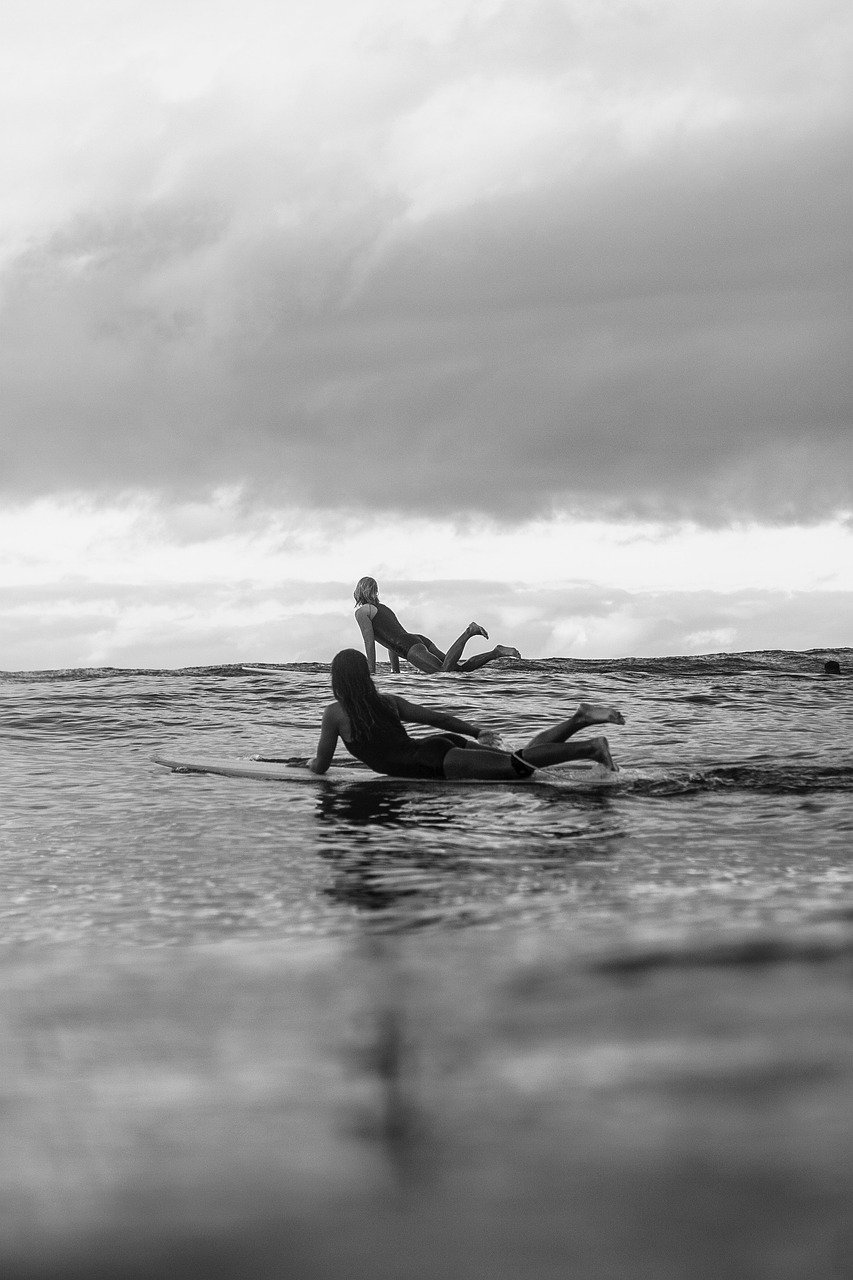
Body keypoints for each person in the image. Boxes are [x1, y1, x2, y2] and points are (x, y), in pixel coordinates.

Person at [308, 649, 624, 781]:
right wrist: (474, 732)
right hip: (436, 746)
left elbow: (321, 767)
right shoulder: (386, 700)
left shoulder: (334, 714)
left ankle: (590, 747)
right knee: (520, 762)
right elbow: (437, 719)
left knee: (519, 767)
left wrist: (308, 765)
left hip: (434, 761)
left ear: (337, 680)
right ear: (365, 675)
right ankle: (578, 719)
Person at [352, 576, 520, 675]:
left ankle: (469, 632)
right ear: (375, 591)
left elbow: (369, 642)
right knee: (456, 670)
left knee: (443, 672)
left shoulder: (362, 612)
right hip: (417, 640)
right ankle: (496, 652)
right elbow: (392, 641)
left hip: (410, 647)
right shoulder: (383, 609)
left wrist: (371, 672)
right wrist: (395, 673)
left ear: (359, 591)